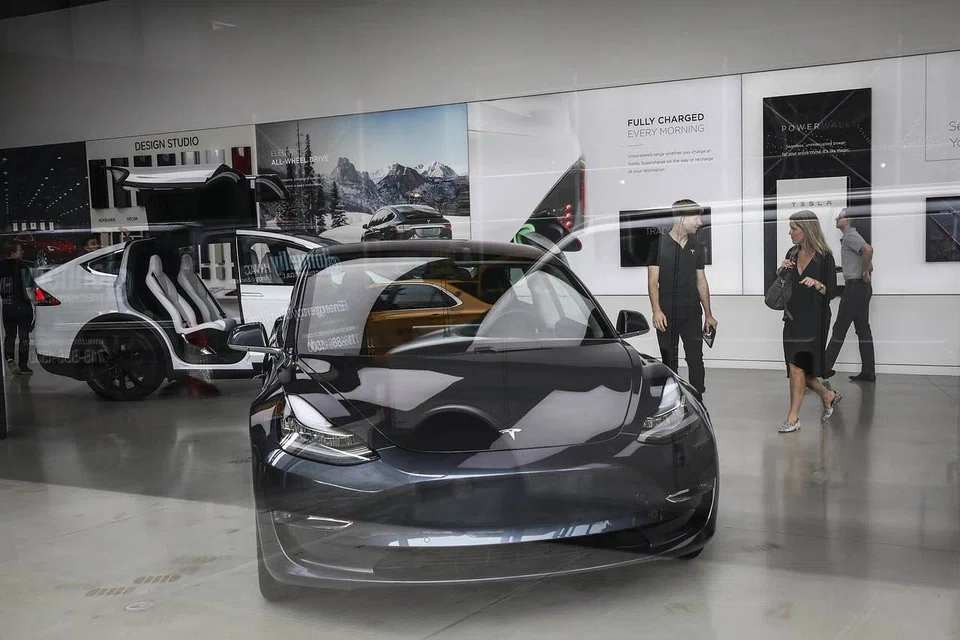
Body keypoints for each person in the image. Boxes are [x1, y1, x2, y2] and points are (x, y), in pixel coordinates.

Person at [778, 210, 842, 433]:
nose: (790, 233)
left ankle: (793, 418)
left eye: (793, 228)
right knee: (798, 369)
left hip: (815, 320)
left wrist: (817, 284)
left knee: (797, 367)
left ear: (806, 230)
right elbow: (784, 284)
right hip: (793, 318)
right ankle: (827, 395)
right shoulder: (792, 253)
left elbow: (831, 292)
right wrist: (782, 270)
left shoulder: (825, 256)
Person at [647, 199, 718, 400]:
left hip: (692, 312)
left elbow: (701, 281)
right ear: (682, 218)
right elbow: (652, 282)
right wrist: (656, 310)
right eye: (696, 218)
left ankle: (697, 399)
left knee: (695, 359)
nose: (700, 223)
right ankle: (672, 399)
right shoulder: (657, 245)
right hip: (666, 314)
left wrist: (709, 314)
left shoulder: (697, 246)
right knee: (669, 360)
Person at [824, 208, 876, 383]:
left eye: (840, 217)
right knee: (863, 330)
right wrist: (865, 272)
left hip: (854, 289)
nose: (836, 219)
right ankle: (868, 371)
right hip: (861, 289)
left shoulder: (850, 237)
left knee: (839, 328)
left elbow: (868, 250)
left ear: (847, 220)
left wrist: (863, 274)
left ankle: (824, 368)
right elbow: (869, 262)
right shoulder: (854, 237)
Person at [0, 241, 36, 376]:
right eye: (20, 250)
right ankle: (23, 365)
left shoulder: (1, 267)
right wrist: (36, 304)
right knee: (24, 337)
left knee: (9, 335)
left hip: (7, 306)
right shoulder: (23, 267)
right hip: (23, 307)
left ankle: (9, 358)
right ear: (13, 253)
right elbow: (29, 290)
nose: (22, 252)